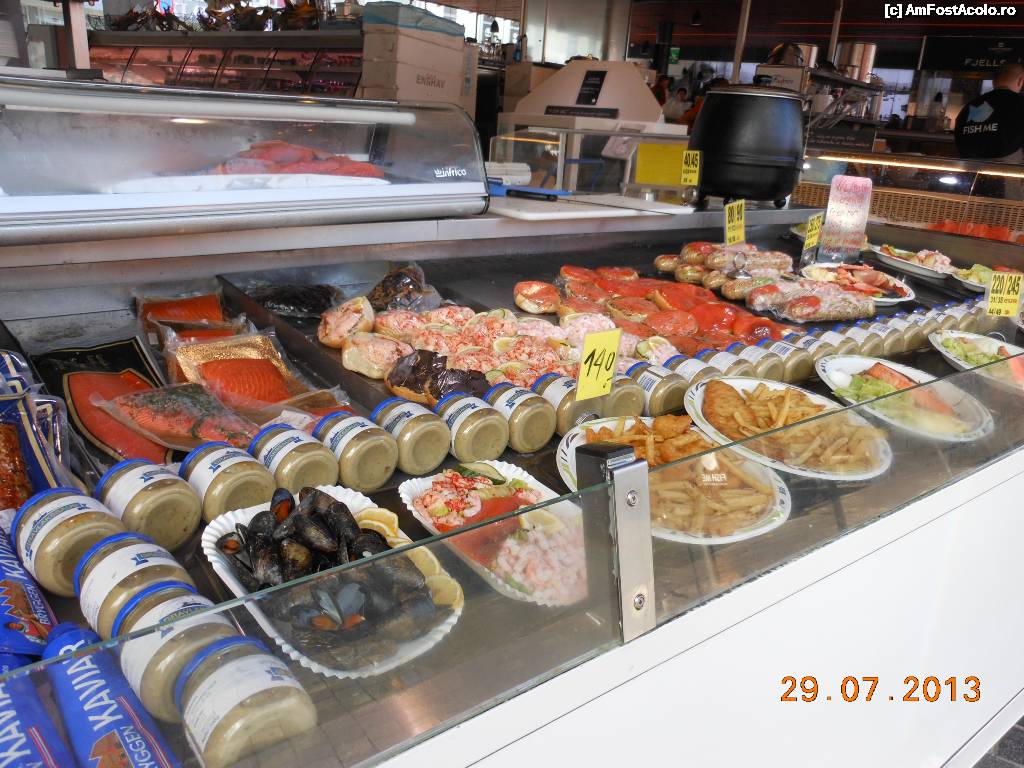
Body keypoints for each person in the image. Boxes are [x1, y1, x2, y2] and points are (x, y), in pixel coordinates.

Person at [954, 63, 1024, 163]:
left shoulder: (970, 105)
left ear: (993, 81)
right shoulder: (1020, 104)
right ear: (1021, 80)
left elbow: (959, 141)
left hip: (969, 166)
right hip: (1009, 168)